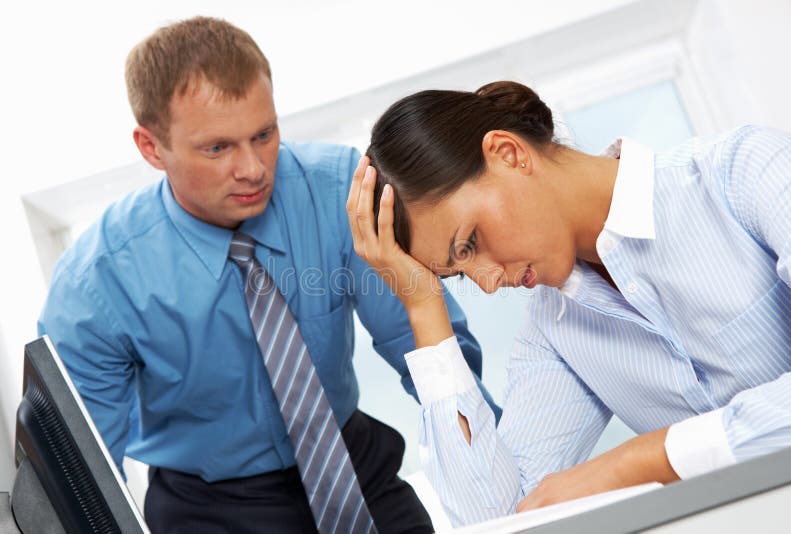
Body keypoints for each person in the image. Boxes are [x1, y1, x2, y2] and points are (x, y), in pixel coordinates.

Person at [37, 17, 498, 534]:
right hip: (207, 507)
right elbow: (81, 474)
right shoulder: (97, 281)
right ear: (151, 148)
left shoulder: (337, 191)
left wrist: (496, 477)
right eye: (218, 148)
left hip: (354, 464)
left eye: (264, 134)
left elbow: (428, 347)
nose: (253, 168)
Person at [347, 80, 791, 527]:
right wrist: (425, 306)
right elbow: (497, 520)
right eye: (457, 273)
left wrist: (635, 463)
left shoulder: (747, 173)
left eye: (469, 242)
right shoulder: (555, 330)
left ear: (509, 154)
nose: (486, 283)